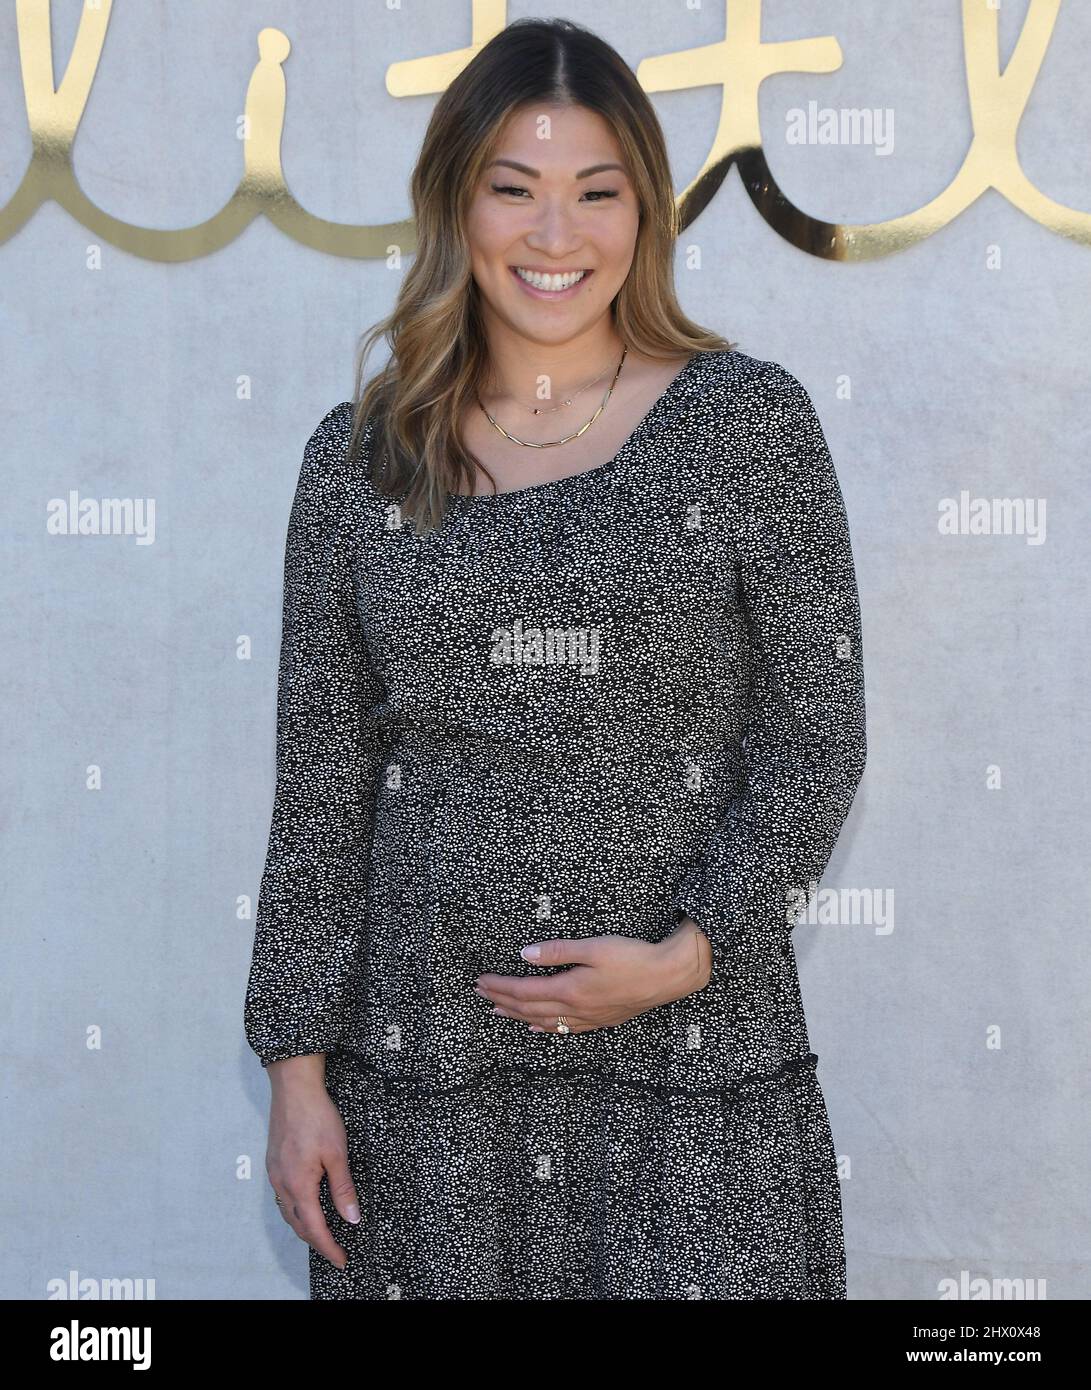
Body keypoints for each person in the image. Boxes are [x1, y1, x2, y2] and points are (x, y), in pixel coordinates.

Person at [243, 17, 867, 1300]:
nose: (553, 236)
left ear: (645, 212)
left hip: (692, 1072)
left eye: (596, 193)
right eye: (511, 190)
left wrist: (693, 950)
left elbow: (816, 736)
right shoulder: (358, 460)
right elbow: (321, 781)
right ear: (454, 205)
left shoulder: (746, 426)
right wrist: (296, 1071)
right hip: (424, 1090)